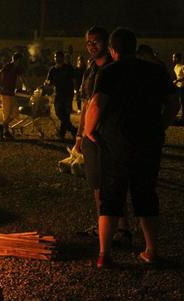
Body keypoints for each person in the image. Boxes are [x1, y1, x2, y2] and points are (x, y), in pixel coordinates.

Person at [83, 27, 179, 268]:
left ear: (113, 50)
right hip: (148, 143)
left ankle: (105, 255)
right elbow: (173, 102)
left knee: (110, 198)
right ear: (135, 48)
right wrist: (162, 125)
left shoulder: (109, 72)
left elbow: (96, 104)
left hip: (115, 143)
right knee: (146, 196)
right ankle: (151, 251)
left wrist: (88, 131)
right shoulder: (156, 71)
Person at [75, 26, 133, 243]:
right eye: (88, 42)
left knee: (113, 183)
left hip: (109, 133)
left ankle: (120, 228)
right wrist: (80, 134)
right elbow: (85, 104)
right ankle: (108, 227)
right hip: (91, 136)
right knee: (97, 183)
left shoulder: (114, 69)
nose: (91, 46)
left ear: (107, 44)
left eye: (96, 42)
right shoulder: (90, 69)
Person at [45, 51, 77, 140]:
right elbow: (48, 82)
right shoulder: (53, 70)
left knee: (66, 114)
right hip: (58, 94)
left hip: (68, 95)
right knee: (58, 113)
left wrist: (76, 91)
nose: (56, 58)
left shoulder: (68, 68)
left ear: (62, 58)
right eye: (55, 57)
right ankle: (74, 130)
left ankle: (62, 134)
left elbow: (74, 80)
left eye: (58, 57)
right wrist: (46, 86)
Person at [0, 52, 25, 139]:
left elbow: (22, 78)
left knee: (15, 113)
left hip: (11, 93)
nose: (21, 62)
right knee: (7, 113)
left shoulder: (17, 68)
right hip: (6, 93)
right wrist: (1, 86)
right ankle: (5, 132)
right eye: (21, 60)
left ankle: (1, 127)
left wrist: (27, 87)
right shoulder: (8, 66)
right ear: (18, 60)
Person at [172, 53, 184, 124]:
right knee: (180, 102)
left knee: (182, 102)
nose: (172, 59)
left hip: (183, 87)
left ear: (177, 58)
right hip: (179, 87)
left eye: (173, 57)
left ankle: (182, 117)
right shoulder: (175, 67)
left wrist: (177, 80)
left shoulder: (182, 67)